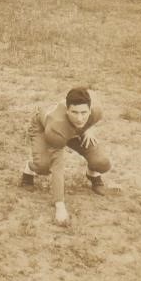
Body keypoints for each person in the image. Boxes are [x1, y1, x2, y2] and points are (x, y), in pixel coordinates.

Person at [21, 87, 110, 227]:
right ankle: (29, 168)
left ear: (90, 109)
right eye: (74, 112)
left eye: (84, 113)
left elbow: (89, 119)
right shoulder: (56, 126)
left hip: (72, 130)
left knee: (102, 163)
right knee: (44, 166)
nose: (80, 118)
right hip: (46, 129)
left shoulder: (96, 111)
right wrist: (60, 207)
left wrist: (88, 129)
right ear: (67, 110)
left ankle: (92, 173)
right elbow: (58, 167)